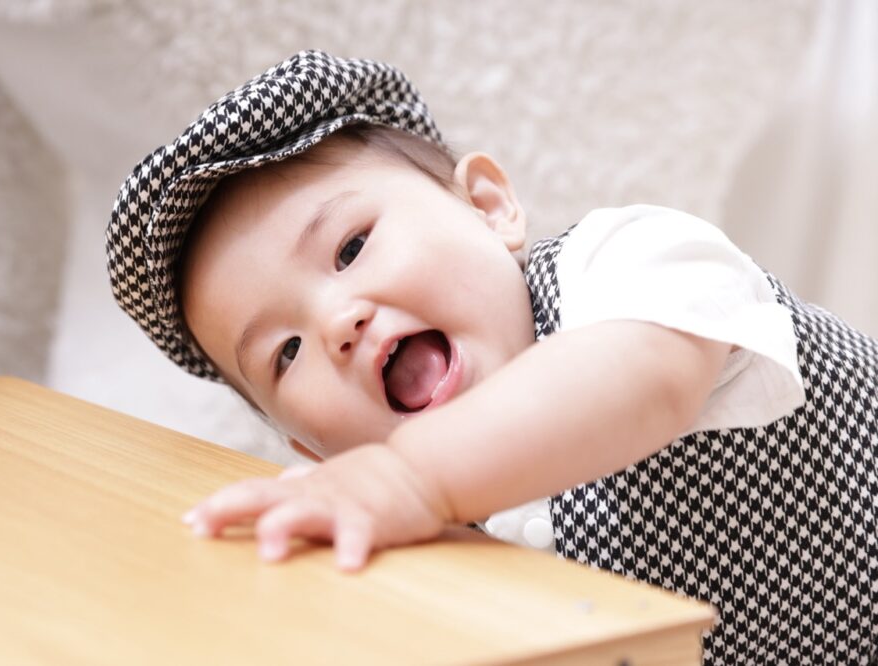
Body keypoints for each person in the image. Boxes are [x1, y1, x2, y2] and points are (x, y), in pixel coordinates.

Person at [106, 51, 876, 664]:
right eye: (286, 352)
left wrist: (411, 479)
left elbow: (647, 381)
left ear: (488, 206)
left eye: (350, 247)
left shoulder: (631, 263)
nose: (337, 321)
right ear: (309, 448)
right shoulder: (432, 526)